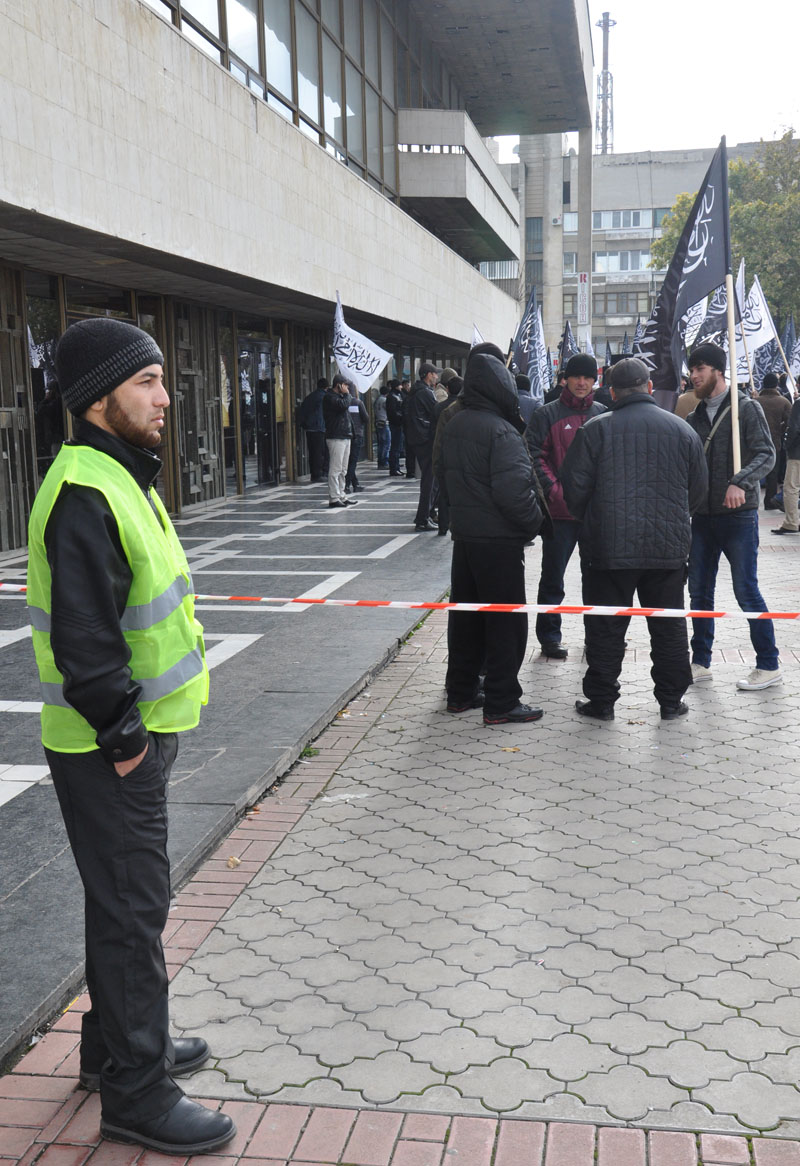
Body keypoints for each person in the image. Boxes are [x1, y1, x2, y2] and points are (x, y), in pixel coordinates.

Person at [25, 318, 235, 1155]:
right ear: (99, 397)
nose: (165, 394)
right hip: (111, 748)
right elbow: (86, 641)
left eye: (161, 378)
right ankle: (137, 1094)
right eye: (146, 380)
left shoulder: (117, 473)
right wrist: (127, 741)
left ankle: (112, 1047)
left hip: (127, 741)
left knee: (119, 906)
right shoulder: (87, 488)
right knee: (132, 914)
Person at [560, 358, 708, 721]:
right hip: (667, 550)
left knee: (605, 628)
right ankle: (671, 701)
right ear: (650, 388)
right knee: (669, 626)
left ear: (611, 392)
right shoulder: (682, 430)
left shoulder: (594, 430)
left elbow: (574, 490)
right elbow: (699, 492)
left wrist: (594, 520)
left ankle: (602, 701)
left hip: (607, 549)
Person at [439, 350, 544, 725]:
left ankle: (460, 693)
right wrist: (535, 523)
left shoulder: (455, 422)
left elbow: (442, 478)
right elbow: (515, 492)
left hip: (465, 539)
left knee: (465, 620)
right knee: (506, 624)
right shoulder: (501, 430)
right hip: (498, 542)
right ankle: (502, 700)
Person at [684, 342, 781, 690]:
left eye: (701, 369)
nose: (694, 376)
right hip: (702, 517)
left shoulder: (745, 409)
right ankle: (700, 662)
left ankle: (769, 664)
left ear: (718, 371)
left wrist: (740, 482)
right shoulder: (692, 418)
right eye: (692, 370)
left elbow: (766, 455)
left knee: (746, 590)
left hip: (738, 517)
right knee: (699, 593)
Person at [525, 353, 606, 659]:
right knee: (552, 578)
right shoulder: (547, 414)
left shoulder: (602, 413)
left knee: (596, 579)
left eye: (587, 377)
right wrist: (555, 492)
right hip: (559, 514)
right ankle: (549, 637)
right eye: (576, 377)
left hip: (594, 515)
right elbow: (534, 455)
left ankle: (596, 637)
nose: (582, 382)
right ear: (565, 379)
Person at [406, 362, 441, 531]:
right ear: (428, 374)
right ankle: (423, 518)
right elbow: (437, 412)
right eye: (435, 374)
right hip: (425, 439)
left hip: (416, 439)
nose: (436, 377)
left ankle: (428, 513)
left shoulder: (415, 391)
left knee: (431, 479)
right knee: (430, 479)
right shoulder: (425, 393)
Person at [433, 374, 462, 536]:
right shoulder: (464, 409)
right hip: (460, 456)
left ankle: (443, 525)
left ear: (448, 389)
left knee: (444, 492)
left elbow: (434, 434)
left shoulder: (439, 407)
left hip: (445, 455)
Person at [323, 374, 357, 508]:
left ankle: (341, 494)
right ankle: (334, 497)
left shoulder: (341, 398)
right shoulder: (330, 397)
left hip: (344, 435)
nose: (347, 388)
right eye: (345, 385)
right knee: (336, 469)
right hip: (335, 436)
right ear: (339, 385)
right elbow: (342, 406)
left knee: (344, 469)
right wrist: (347, 394)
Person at [758, 372, 791, 508]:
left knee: (754, 471)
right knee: (773, 473)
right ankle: (769, 501)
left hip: (755, 441)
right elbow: (790, 422)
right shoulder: (783, 402)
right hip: (775, 441)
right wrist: (780, 430)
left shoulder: (755, 402)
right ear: (776, 385)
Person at [773, 393, 800, 535]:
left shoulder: (798, 403)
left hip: (797, 453)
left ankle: (791, 522)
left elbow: (794, 427)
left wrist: (787, 446)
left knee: (791, 488)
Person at [295, 378, 328, 481]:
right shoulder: (324, 397)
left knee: (312, 451)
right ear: (326, 387)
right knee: (320, 452)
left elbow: (303, 411)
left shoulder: (310, 397)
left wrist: (304, 424)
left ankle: (314, 473)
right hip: (319, 428)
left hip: (310, 429)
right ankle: (318, 474)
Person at [344, 383, 369, 493]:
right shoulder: (358, 403)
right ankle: (347, 484)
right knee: (352, 461)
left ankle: (355, 483)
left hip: (346, 434)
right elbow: (366, 418)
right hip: (357, 434)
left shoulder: (343, 402)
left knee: (349, 461)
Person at [385, 379, 405, 475]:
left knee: (397, 447)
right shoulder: (392, 397)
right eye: (400, 385)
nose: (401, 387)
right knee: (395, 447)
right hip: (395, 424)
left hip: (398, 424)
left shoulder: (398, 395)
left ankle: (396, 467)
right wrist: (401, 417)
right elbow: (393, 412)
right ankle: (394, 468)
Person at [400, 378, 416, 477]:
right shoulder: (409, 399)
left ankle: (411, 470)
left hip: (409, 428)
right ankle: (411, 470)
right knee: (410, 450)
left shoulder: (408, 399)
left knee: (410, 451)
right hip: (410, 428)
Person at [374, 384, 391, 468]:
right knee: (386, 443)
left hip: (378, 422)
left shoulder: (377, 400)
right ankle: (384, 461)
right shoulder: (385, 400)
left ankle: (380, 461)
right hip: (384, 422)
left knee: (381, 444)